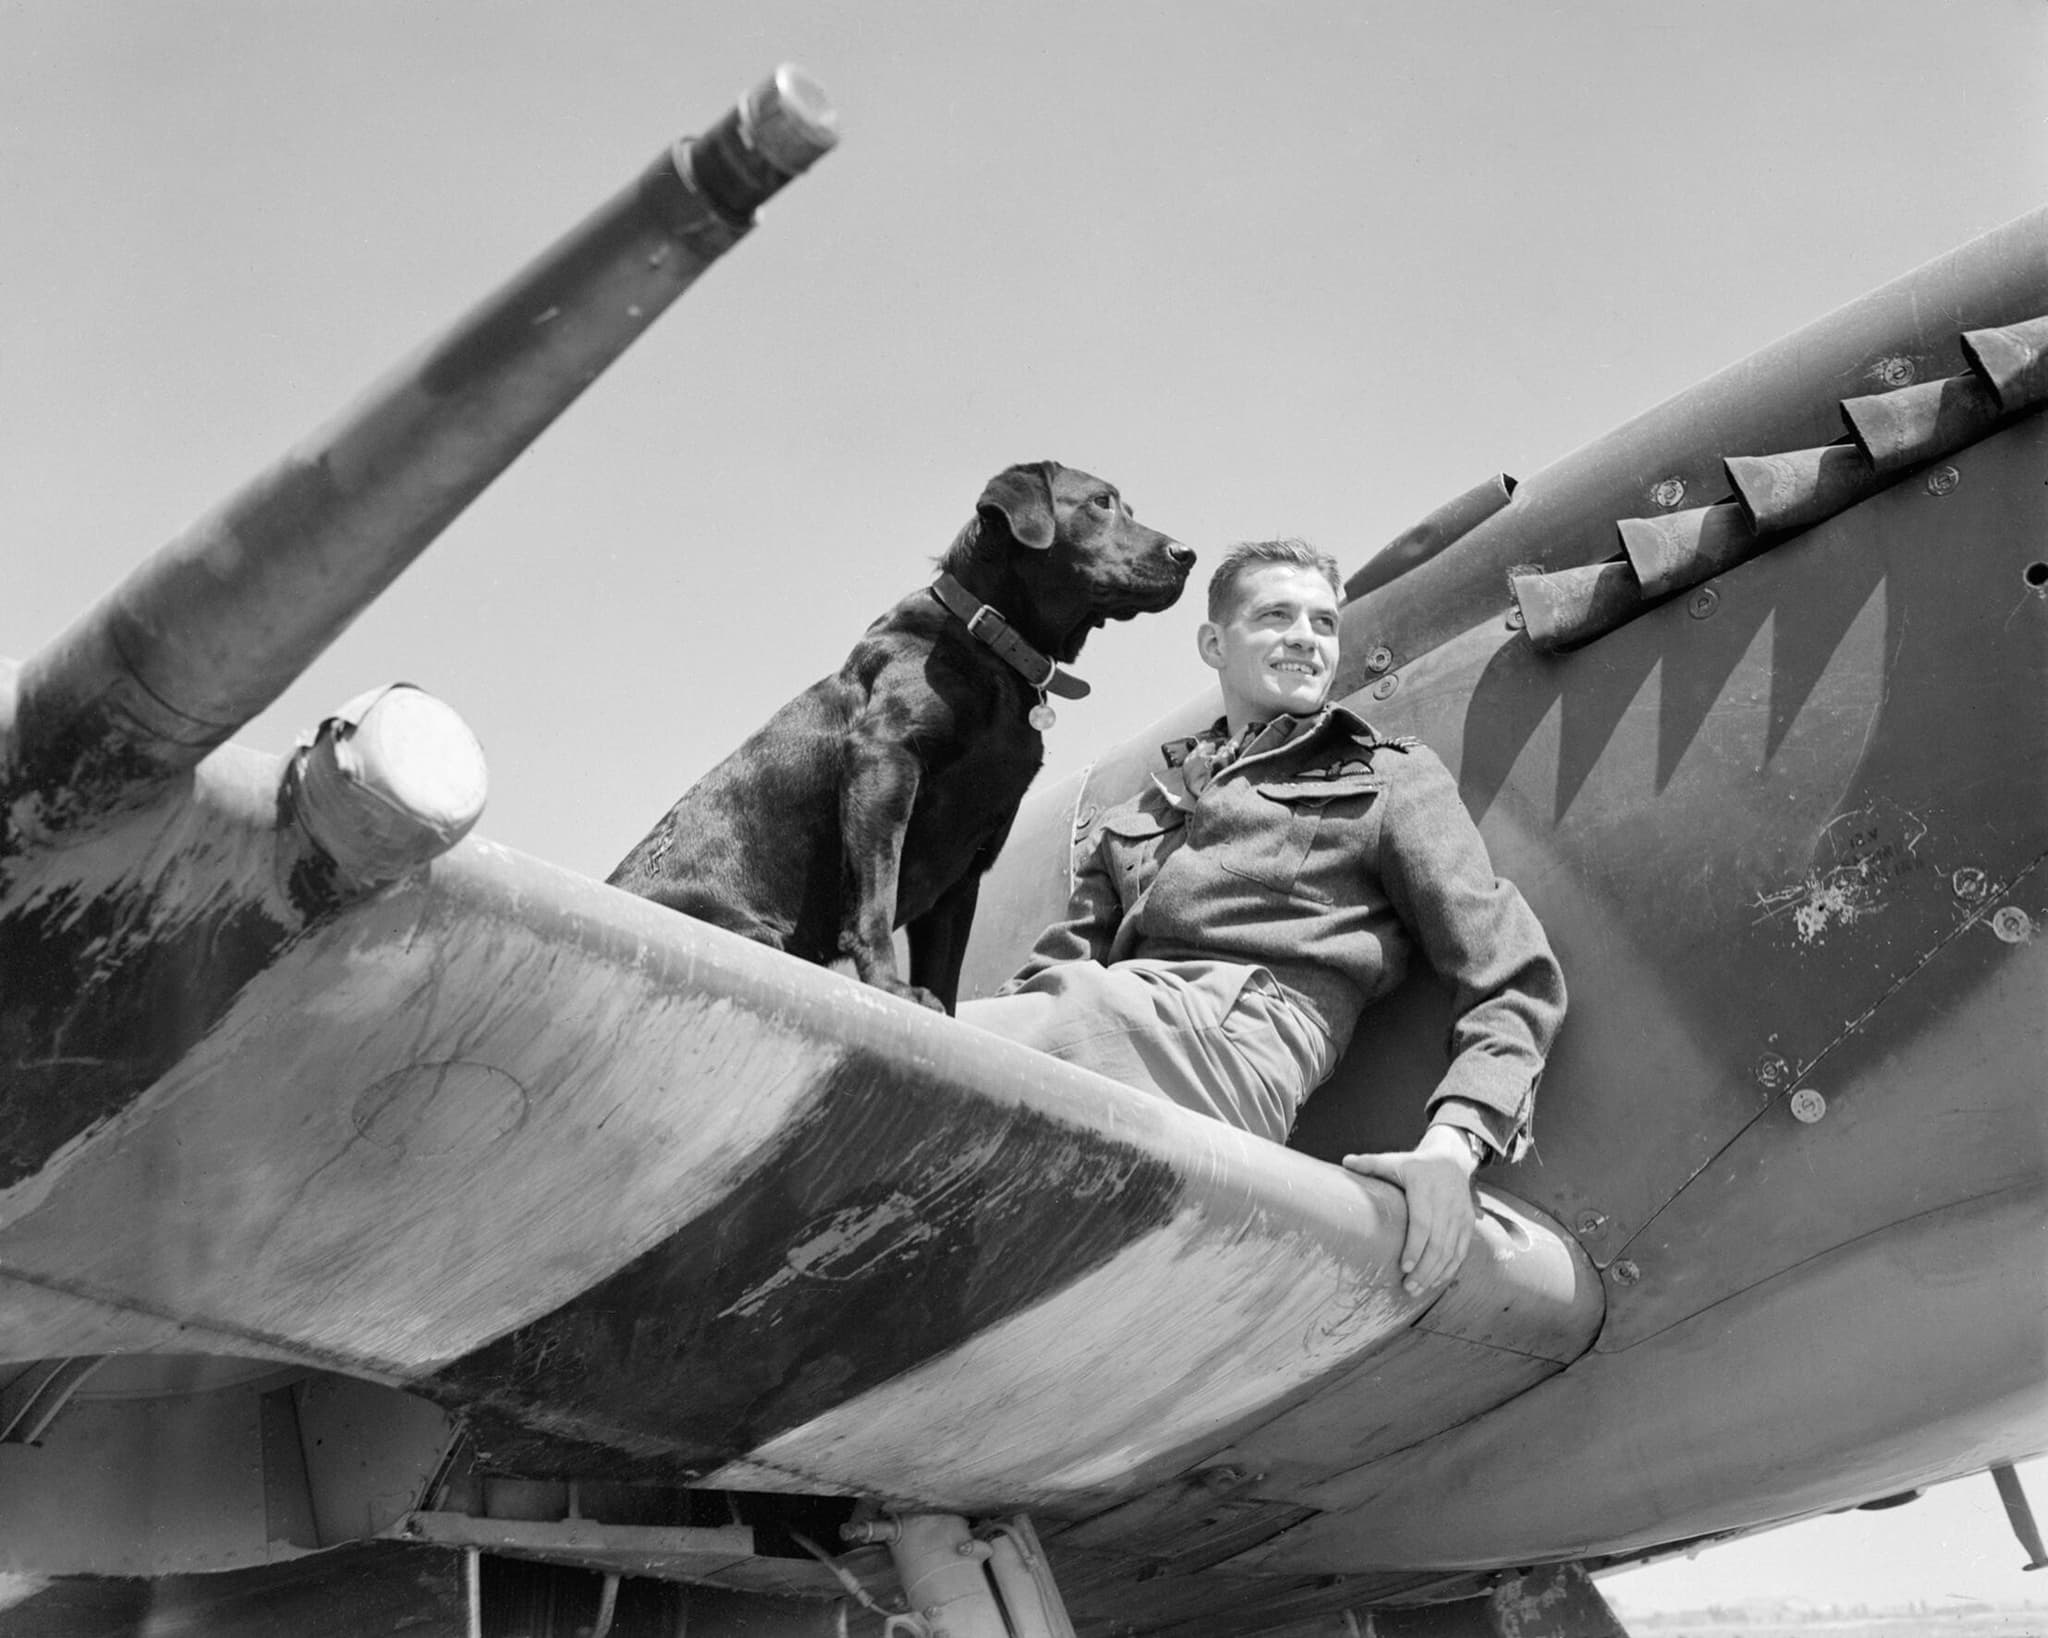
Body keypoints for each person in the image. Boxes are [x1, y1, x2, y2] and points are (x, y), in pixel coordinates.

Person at [959, 538, 1565, 1297]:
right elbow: (1051, 976)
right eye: (1276, 616)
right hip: (1101, 1027)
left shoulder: (1385, 778)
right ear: (1214, 642)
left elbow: (1514, 977)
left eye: (1323, 622)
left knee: (927, 1055)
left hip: (1240, 1042)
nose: (1306, 639)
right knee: (955, 1052)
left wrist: (1452, 1147)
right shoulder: (1135, 815)